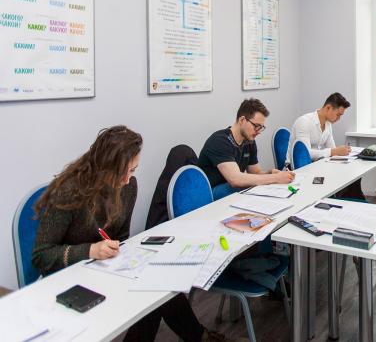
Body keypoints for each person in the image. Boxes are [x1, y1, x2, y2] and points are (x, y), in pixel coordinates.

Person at [31, 126, 231, 342]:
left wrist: (127, 254)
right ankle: (200, 337)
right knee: (151, 293)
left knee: (156, 289)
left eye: (133, 170)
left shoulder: (127, 187)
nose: (128, 179)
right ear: (104, 165)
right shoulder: (68, 192)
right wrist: (90, 250)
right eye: (123, 172)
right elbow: (41, 256)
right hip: (70, 277)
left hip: (104, 267)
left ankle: (200, 337)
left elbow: (121, 237)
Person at [197, 98, 294, 199]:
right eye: (256, 126)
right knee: (246, 186)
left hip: (231, 188)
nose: (258, 131)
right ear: (242, 120)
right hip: (210, 193)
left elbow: (255, 172)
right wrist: (275, 178)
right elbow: (235, 180)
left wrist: (270, 173)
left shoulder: (249, 141)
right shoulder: (220, 140)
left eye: (261, 127)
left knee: (255, 185)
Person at [288, 92, 363, 199]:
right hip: (297, 169)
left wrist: (340, 151)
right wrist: (334, 151)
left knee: (350, 174)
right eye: (338, 114)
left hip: (315, 165)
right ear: (328, 108)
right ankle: (337, 200)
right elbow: (306, 154)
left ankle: (350, 201)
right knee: (337, 178)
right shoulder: (304, 122)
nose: (339, 119)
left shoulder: (328, 124)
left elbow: (332, 149)